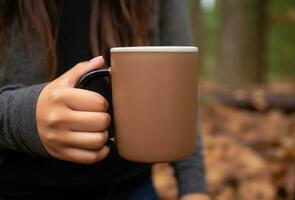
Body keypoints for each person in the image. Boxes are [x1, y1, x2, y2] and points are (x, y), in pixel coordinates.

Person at [0, 0, 209, 199]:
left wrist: (194, 187)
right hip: (18, 188)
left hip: (134, 188)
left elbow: (182, 88)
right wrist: (23, 116)